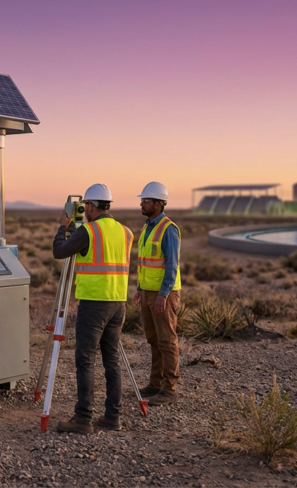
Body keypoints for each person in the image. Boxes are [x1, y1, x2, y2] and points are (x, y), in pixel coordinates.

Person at [52, 183, 133, 434]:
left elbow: (59, 251)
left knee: (85, 359)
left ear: (89, 206)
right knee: (112, 360)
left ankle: (83, 418)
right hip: (118, 303)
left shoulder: (88, 231)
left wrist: (63, 227)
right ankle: (112, 417)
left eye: (85, 206)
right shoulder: (126, 231)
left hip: (94, 304)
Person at [132, 181, 181, 406]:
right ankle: (155, 383)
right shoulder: (147, 227)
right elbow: (145, 263)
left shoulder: (168, 229)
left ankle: (169, 389)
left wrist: (163, 294)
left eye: (146, 200)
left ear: (159, 204)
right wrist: (141, 289)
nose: (142, 203)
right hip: (149, 292)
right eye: (142, 200)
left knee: (167, 340)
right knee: (153, 339)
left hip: (164, 294)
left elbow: (171, 265)